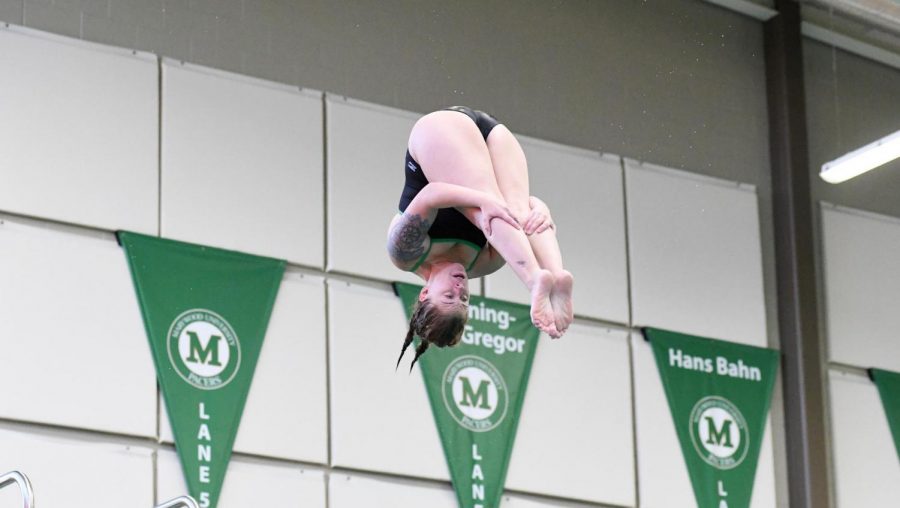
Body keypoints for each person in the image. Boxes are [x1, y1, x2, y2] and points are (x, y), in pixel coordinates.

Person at [387, 106, 574, 368]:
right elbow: (525, 215)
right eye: (464, 299)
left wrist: (482, 200)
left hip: (440, 131)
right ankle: (556, 274)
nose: (460, 290)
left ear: (425, 293)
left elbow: (431, 194)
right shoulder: (482, 263)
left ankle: (535, 281)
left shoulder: (406, 254)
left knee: (486, 213)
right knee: (518, 214)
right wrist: (542, 211)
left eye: (449, 297)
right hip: (491, 134)